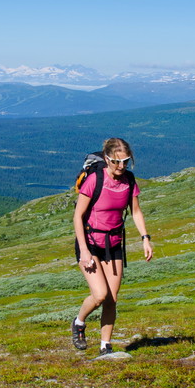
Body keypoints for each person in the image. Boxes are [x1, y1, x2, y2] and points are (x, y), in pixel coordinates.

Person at [72, 138, 153, 355]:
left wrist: (145, 238)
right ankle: (79, 322)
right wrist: (84, 250)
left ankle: (105, 346)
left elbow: (135, 211)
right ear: (107, 159)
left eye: (125, 162)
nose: (121, 166)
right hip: (89, 242)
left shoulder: (128, 180)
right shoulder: (94, 180)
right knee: (99, 295)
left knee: (112, 298)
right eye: (116, 162)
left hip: (115, 243)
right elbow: (78, 216)